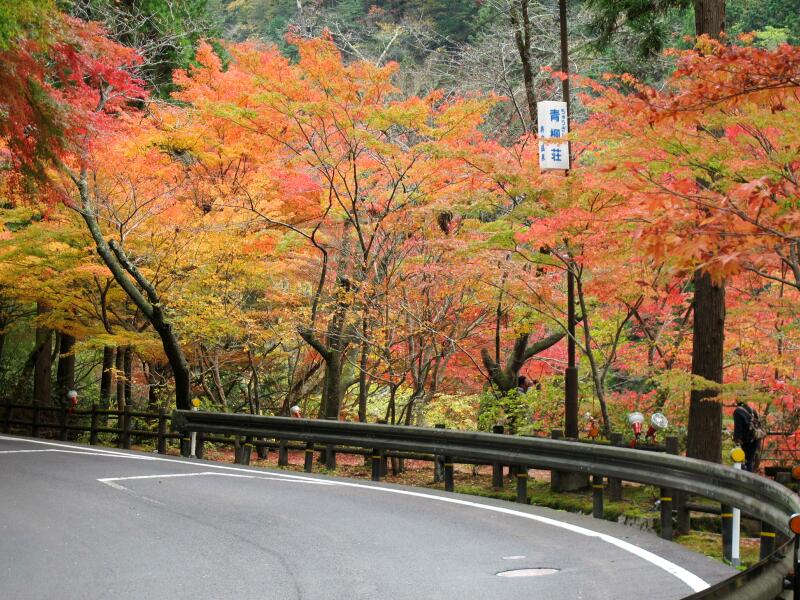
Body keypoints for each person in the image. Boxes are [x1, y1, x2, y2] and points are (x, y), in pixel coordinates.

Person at [733, 400, 762, 472]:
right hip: (755, 439)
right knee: (750, 461)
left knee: (741, 461)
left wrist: (737, 441)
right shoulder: (752, 410)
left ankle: (743, 479)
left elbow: (738, 428)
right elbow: (758, 424)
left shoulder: (737, 411)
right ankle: (750, 478)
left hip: (745, 441)